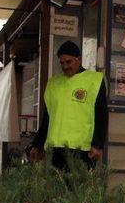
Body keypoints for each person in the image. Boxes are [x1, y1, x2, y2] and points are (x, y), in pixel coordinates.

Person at [29, 41, 108, 169]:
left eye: (69, 62)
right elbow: (47, 118)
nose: (65, 66)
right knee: (55, 188)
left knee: (79, 188)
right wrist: (37, 144)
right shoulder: (54, 83)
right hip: (55, 149)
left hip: (82, 149)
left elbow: (101, 115)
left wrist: (97, 144)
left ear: (79, 59)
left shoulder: (94, 80)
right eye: (62, 63)